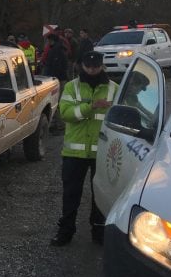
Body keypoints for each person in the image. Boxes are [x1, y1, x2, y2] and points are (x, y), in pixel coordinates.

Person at [50, 51, 119, 246]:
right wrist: (91, 107)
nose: (92, 70)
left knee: (100, 195)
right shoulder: (72, 87)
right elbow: (65, 113)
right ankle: (66, 231)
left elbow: (121, 114)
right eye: (88, 67)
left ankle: (99, 231)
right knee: (71, 194)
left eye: (96, 66)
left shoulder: (114, 88)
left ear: (101, 66)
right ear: (82, 66)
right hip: (75, 153)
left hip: (102, 152)